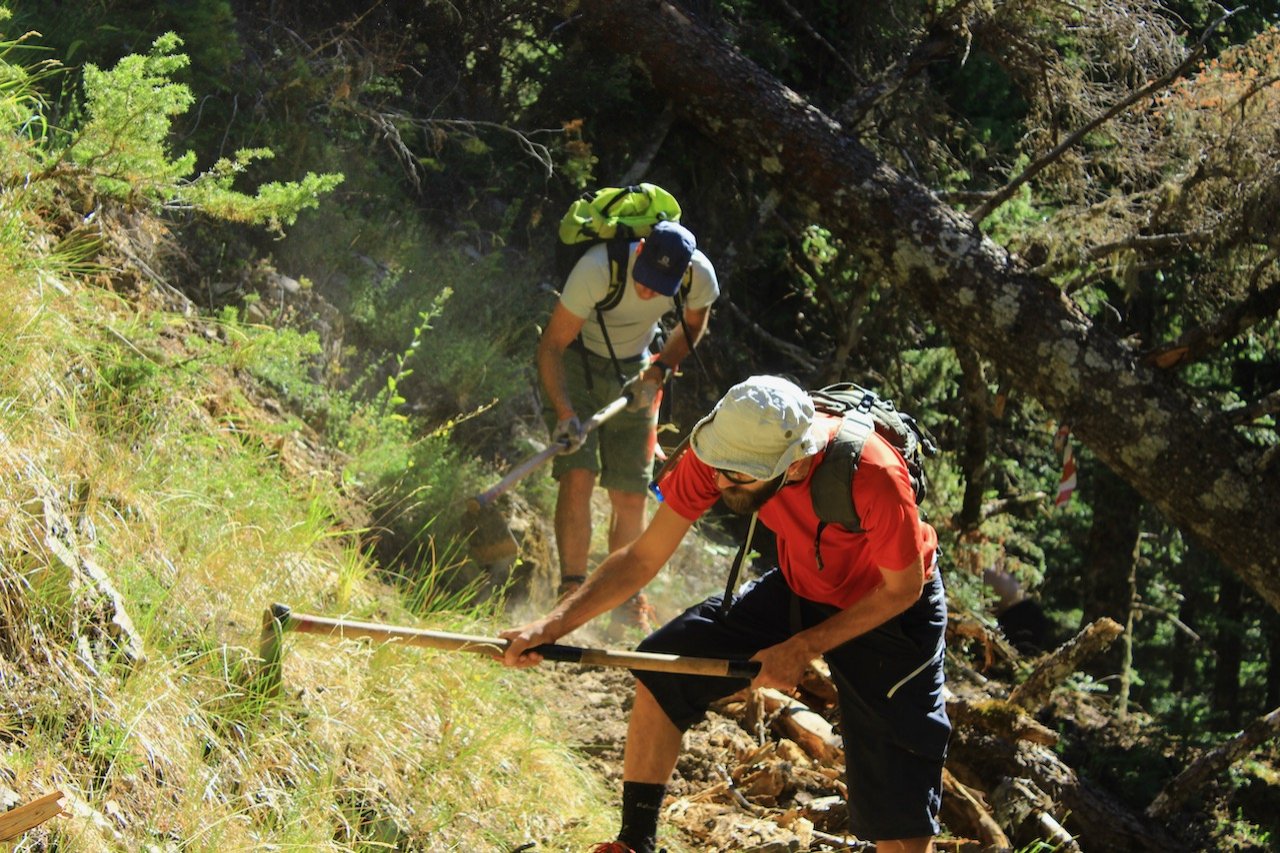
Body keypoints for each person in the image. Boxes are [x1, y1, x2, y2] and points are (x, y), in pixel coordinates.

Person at [502, 375, 950, 853]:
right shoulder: (723, 449)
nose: (719, 480)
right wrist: (549, 626)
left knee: (897, 794)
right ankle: (633, 843)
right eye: (719, 465)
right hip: (803, 582)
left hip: (888, 607)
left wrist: (801, 647)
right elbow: (642, 558)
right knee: (662, 667)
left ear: (793, 463)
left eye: (738, 474)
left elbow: (903, 589)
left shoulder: (872, 473)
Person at [537, 219, 719, 632]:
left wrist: (659, 371)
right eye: (646, 278)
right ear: (639, 252)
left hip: (636, 371)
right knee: (577, 474)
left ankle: (622, 596)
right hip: (577, 364)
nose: (649, 291)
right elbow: (551, 347)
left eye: (661, 285)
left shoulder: (698, 276)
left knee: (631, 492)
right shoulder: (597, 268)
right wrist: (566, 414)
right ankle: (572, 589)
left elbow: (692, 325)